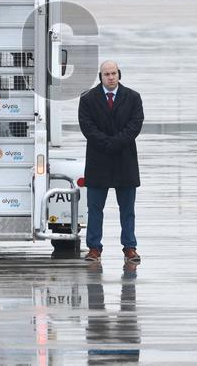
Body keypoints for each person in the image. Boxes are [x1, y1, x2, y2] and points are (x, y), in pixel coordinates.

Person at [77, 61, 144, 264]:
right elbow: (86, 126)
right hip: (99, 160)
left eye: (113, 73)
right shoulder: (88, 98)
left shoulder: (133, 97)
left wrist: (116, 142)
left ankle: (130, 248)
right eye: (106, 74)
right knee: (95, 209)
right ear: (101, 77)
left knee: (127, 210)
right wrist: (106, 143)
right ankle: (94, 248)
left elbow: (136, 124)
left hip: (125, 160)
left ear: (119, 74)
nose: (111, 77)